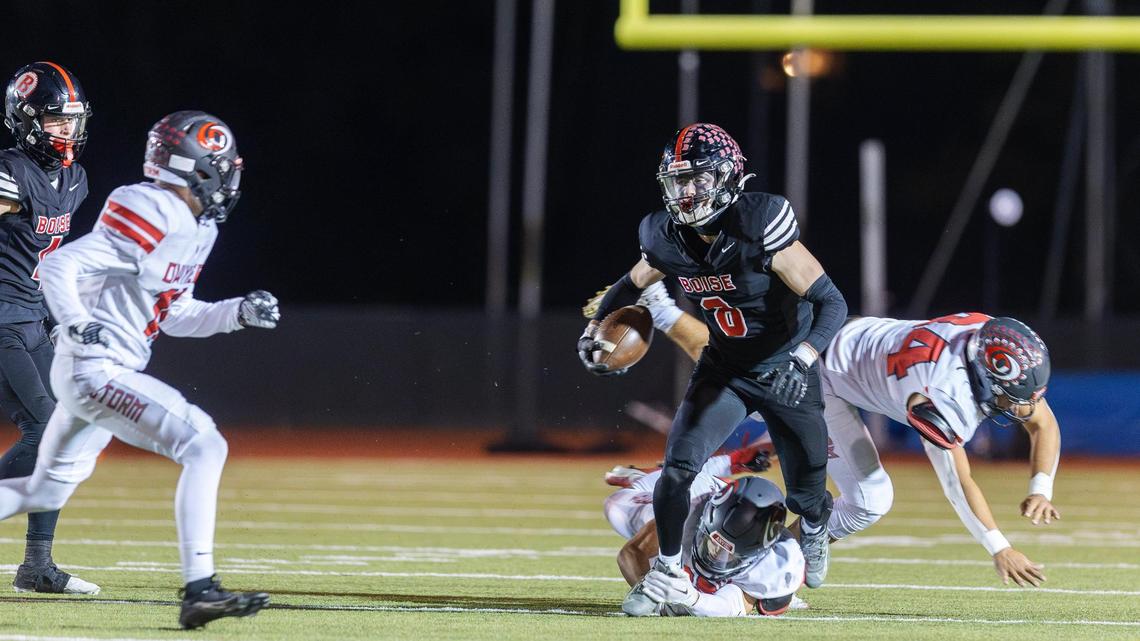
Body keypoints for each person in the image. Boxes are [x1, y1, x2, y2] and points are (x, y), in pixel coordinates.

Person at [0, 110, 279, 628]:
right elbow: (62, 266)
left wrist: (236, 313)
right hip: (96, 368)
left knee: (43, 490)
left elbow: (176, 314)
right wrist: (80, 322)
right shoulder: (148, 205)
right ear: (196, 168)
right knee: (205, 444)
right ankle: (200, 588)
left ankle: (192, 587)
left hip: (94, 368)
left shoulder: (197, 226)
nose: (229, 174)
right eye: (220, 164)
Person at [577, 123, 848, 615]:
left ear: (728, 177)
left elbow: (831, 302)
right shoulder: (664, 235)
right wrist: (596, 328)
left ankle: (813, 530)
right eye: (678, 180)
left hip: (785, 369)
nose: (687, 191)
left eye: (698, 178)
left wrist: (805, 357)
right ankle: (665, 573)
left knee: (808, 493)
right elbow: (630, 283)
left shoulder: (760, 222)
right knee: (678, 470)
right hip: (724, 369)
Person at [623, 283, 1061, 587]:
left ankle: (777, 551)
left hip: (852, 344)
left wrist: (1041, 487)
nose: (1021, 408)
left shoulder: (982, 337)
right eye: (1012, 398)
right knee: (870, 496)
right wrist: (999, 547)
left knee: (742, 371)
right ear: (983, 375)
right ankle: (763, 554)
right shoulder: (940, 393)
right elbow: (957, 483)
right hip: (827, 375)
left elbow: (1042, 421)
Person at [0, 61, 98, 594]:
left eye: (72, 121)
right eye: (56, 121)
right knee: (45, 428)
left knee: (66, 432)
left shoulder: (74, 180)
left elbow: (51, 259)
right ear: (27, 120)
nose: (67, 131)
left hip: (31, 318)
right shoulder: (10, 171)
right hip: (1, 321)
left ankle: (37, 565)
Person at [604, 459, 805, 617]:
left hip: (714, 495)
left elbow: (731, 605)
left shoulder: (781, 562)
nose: (716, 554)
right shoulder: (684, 510)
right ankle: (646, 476)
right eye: (712, 542)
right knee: (615, 506)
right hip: (670, 494)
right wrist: (658, 600)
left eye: (728, 552)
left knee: (773, 601)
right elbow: (632, 553)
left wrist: (694, 600)